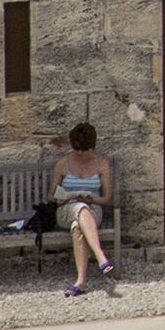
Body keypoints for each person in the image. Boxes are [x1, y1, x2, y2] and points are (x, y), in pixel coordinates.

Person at [52, 123, 115, 294]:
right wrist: (64, 198)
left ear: (92, 147)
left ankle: (80, 283)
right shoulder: (63, 164)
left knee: (77, 227)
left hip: (93, 209)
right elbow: (51, 196)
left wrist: (91, 198)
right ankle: (101, 256)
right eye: (78, 150)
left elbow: (108, 197)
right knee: (79, 208)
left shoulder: (102, 164)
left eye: (85, 150)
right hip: (66, 208)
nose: (81, 154)